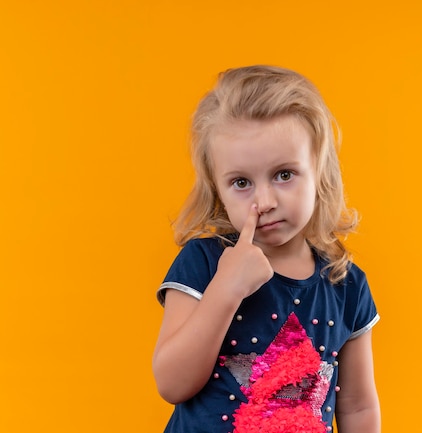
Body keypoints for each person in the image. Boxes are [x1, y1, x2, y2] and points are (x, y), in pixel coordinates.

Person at [152, 65, 380, 433]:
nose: (265, 200)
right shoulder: (205, 263)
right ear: (218, 189)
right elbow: (172, 384)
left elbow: (357, 406)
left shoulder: (346, 284)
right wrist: (226, 289)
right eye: (241, 182)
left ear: (319, 171)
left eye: (284, 174)